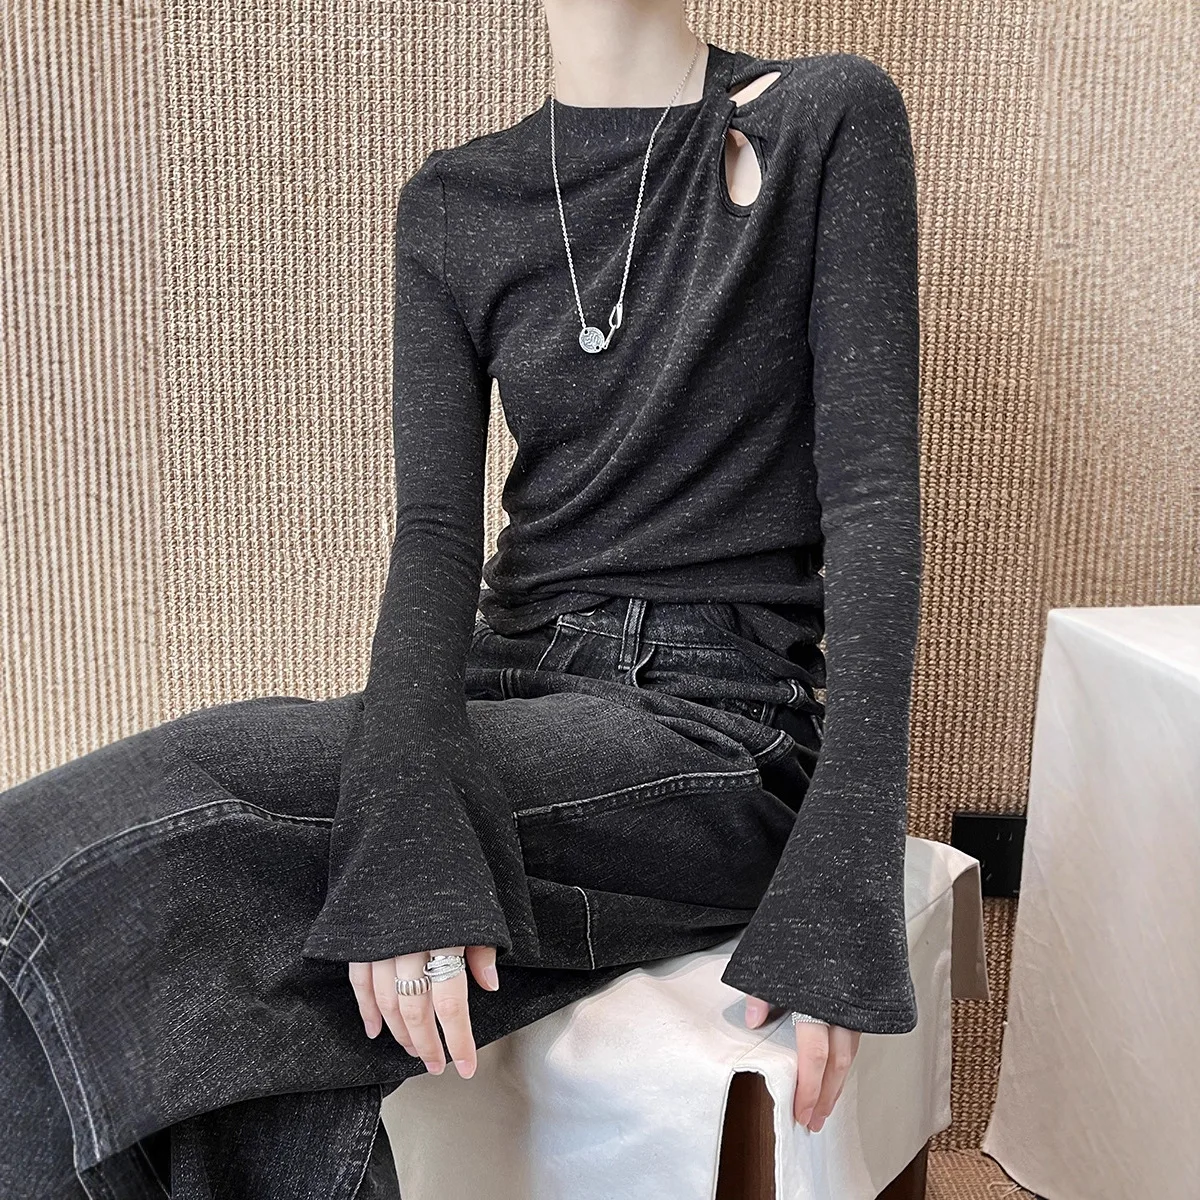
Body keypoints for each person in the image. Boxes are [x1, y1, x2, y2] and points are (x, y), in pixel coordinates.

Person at [0, 3, 923, 1197]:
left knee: (94, 861)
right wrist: (407, 809)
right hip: (504, 687)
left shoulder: (825, 116)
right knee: (178, 937)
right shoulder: (457, 201)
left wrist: (844, 887)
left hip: (713, 719)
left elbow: (873, 501)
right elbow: (435, 538)